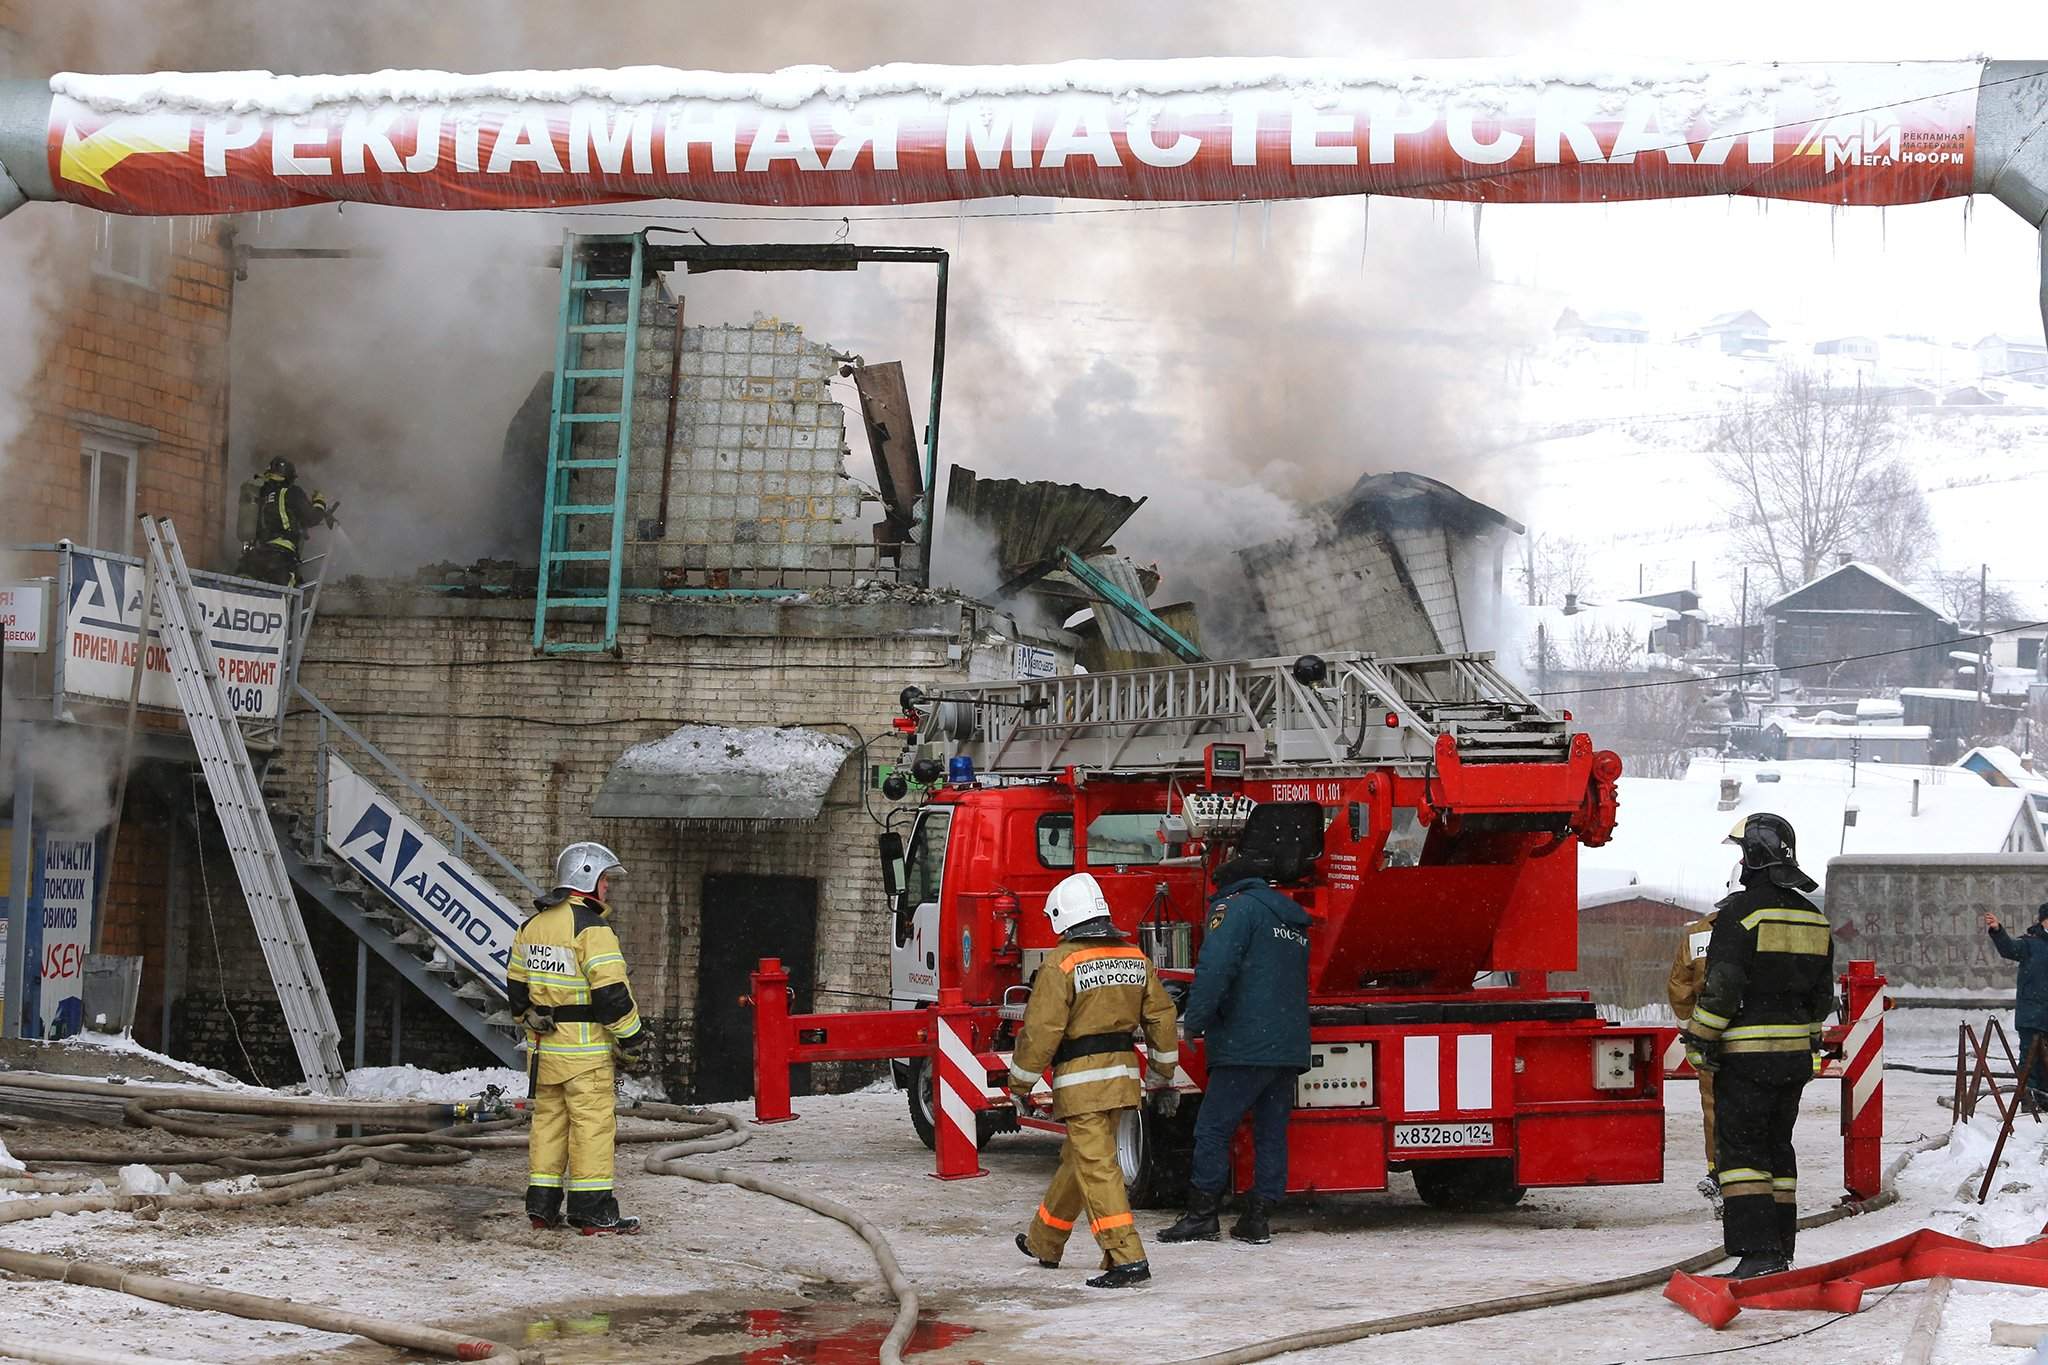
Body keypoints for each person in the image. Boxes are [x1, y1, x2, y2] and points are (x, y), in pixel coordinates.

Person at [1009, 872, 1180, 1289]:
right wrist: (1161, 1073)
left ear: (1063, 918)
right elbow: (1161, 1016)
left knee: (1098, 1168)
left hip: (1082, 1083)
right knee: (1080, 1161)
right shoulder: (1134, 958)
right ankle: (1044, 1241)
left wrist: (1020, 1084)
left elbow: (1042, 1030)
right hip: (1121, 1079)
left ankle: (1127, 1256)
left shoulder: (1061, 962)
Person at [1681, 813, 1833, 1280]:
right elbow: (1820, 1000)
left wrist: (1699, 1039)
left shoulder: (1739, 914)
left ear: (1753, 857)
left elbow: (1723, 987)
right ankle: (1780, 1251)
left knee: (1742, 1156)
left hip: (1745, 1060)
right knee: (1777, 1152)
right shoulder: (1814, 917)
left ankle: (1757, 1254)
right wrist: (1807, 1046)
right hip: (1792, 1062)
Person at [1158, 840, 1312, 1247]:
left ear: (1226, 886)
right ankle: (1258, 1218)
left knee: (1212, 1128)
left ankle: (1202, 1215)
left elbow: (1215, 968)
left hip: (1245, 1043)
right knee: (1270, 1132)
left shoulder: (1234, 909)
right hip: (1287, 1044)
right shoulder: (1291, 919)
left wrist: (1195, 1020)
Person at [507, 841, 645, 1235]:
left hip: (544, 1050)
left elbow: (516, 989)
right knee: (592, 1127)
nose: (607, 888)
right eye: (604, 880)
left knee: (548, 1125)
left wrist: (527, 1018)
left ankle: (542, 1210)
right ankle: (593, 1212)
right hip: (585, 1056)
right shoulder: (592, 929)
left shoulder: (531, 926)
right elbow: (611, 996)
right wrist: (633, 1038)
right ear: (587, 879)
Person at [1668, 902, 1722, 1214]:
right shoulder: (1774, 925)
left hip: (1711, 1040)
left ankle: (1719, 1173)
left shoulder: (1700, 933)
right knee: (1761, 1111)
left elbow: (1680, 988)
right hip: (1765, 1043)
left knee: (1715, 1108)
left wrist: (1693, 1031)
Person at [1983, 903, 2048, 1105]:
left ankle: (2044, 1101)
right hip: (2032, 1015)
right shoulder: (2030, 943)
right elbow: (2009, 948)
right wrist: (1997, 930)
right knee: (2030, 1061)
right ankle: (2030, 1103)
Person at [237, 456, 336, 587]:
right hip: (280, 558)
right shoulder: (291, 492)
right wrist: (319, 503)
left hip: (256, 556)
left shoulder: (263, 495)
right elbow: (311, 518)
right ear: (290, 477)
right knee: (285, 599)